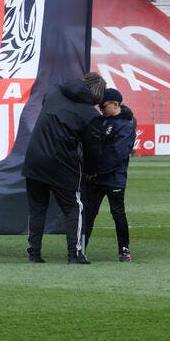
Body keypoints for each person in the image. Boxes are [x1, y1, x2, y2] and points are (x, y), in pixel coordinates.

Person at [23, 72, 106, 264]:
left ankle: (34, 254)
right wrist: (91, 170)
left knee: (37, 209)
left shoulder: (54, 92)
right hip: (62, 163)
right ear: (97, 94)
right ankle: (74, 254)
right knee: (73, 207)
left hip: (34, 158)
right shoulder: (90, 114)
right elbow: (92, 149)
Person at [83, 88, 135, 262]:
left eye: (103, 106)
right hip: (96, 178)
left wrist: (95, 171)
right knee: (88, 214)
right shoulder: (102, 121)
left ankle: (124, 250)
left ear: (115, 104)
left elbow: (117, 155)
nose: (101, 109)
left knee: (118, 214)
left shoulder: (126, 125)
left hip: (114, 178)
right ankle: (80, 249)